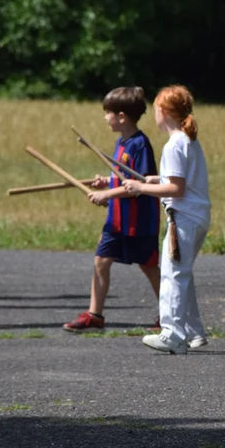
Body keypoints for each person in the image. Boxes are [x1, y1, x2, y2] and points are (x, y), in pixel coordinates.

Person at [122, 86, 211, 355]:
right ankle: (194, 333)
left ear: (164, 111)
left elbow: (176, 189)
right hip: (196, 217)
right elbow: (177, 181)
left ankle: (172, 334)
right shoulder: (187, 140)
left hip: (183, 218)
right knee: (183, 273)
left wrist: (140, 188)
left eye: (157, 110)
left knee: (172, 275)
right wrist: (154, 180)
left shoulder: (174, 144)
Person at [64, 87, 160, 333]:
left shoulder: (140, 145)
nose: (104, 117)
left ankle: (169, 314)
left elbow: (139, 184)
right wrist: (106, 183)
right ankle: (95, 315)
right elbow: (123, 178)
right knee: (101, 260)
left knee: (148, 267)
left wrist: (107, 193)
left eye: (107, 113)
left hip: (138, 220)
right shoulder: (122, 142)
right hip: (116, 219)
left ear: (121, 116)